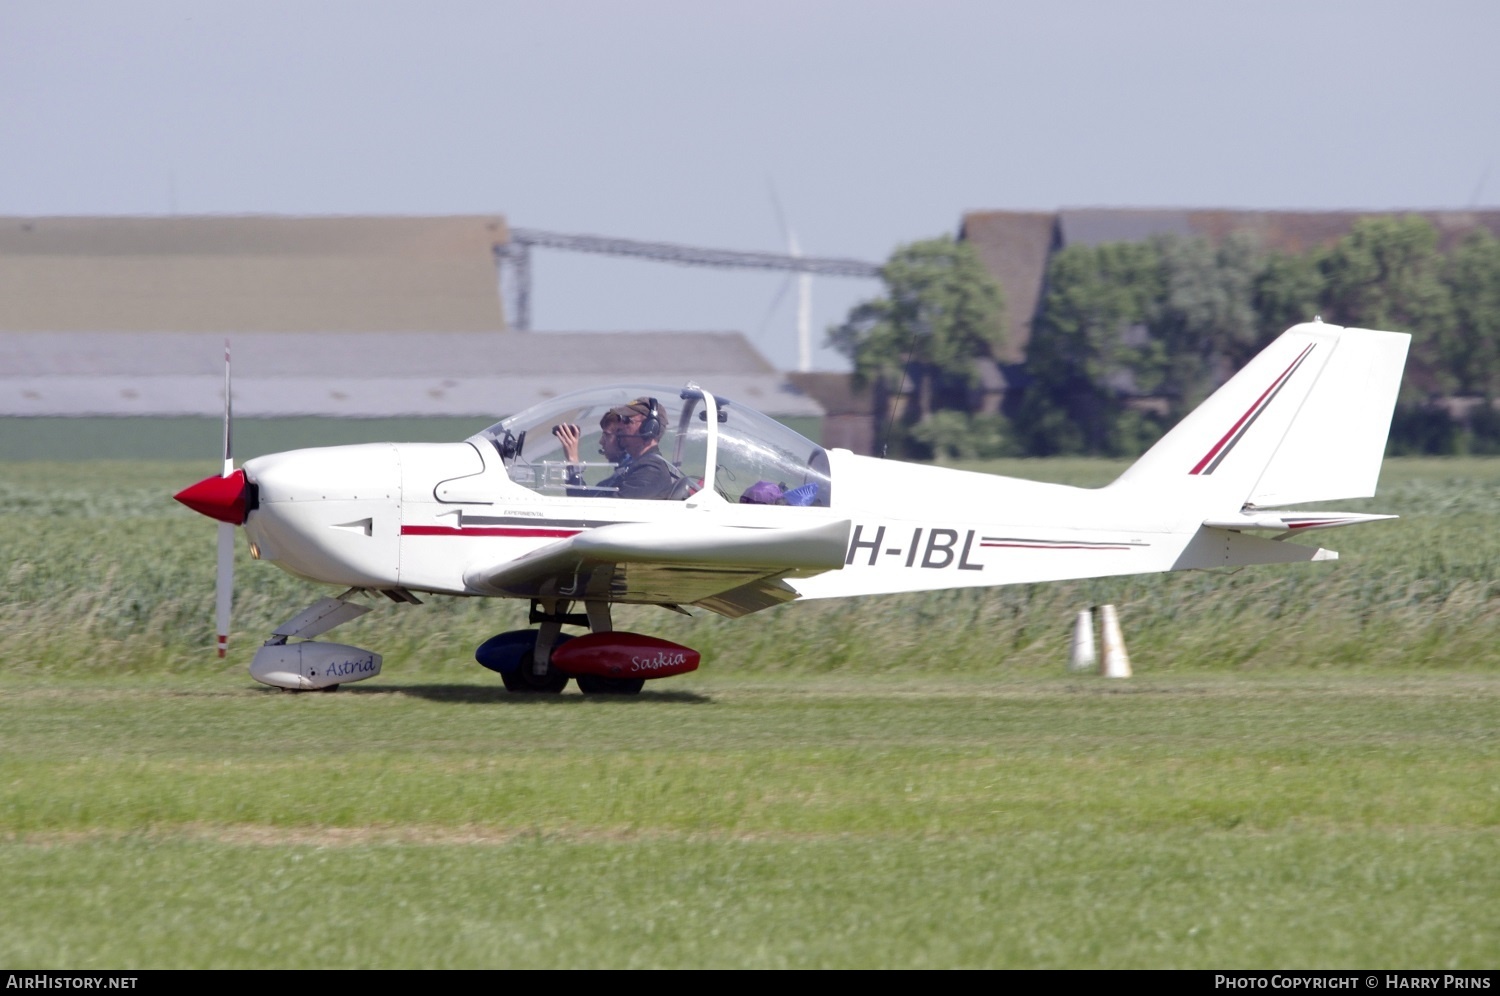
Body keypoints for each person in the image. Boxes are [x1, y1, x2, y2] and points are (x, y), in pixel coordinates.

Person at [555, 397, 683, 500]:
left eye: (627, 421)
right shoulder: (637, 467)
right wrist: (572, 461)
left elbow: (597, 510)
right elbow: (588, 499)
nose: (621, 426)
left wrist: (573, 461)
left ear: (649, 428)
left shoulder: (651, 471)